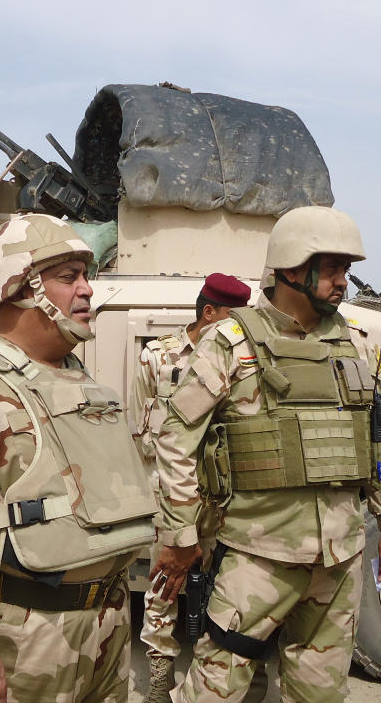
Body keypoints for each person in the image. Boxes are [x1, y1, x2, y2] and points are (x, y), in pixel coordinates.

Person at [152, 205, 381, 703]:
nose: (343, 282)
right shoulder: (230, 343)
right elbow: (176, 438)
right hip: (257, 555)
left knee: (320, 694)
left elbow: (374, 439)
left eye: (346, 270)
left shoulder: (355, 343)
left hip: (339, 557)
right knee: (214, 691)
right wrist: (183, 536)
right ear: (292, 268)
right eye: (332, 269)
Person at [0, 213, 159, 703]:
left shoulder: (82, 383)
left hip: (108, 626)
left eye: (87, 275)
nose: (87, 290)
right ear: (20, 288)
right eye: (68, 278)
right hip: (25, 640)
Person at [130, 272, 252, 703]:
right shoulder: (156, 358)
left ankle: (223, 680)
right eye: (232, 319)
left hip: (225, 499)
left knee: (227, 587)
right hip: (170, 497)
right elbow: (142, 431)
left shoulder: (242, 357)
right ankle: (160, 680)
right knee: (164, 588)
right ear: (209, 313)